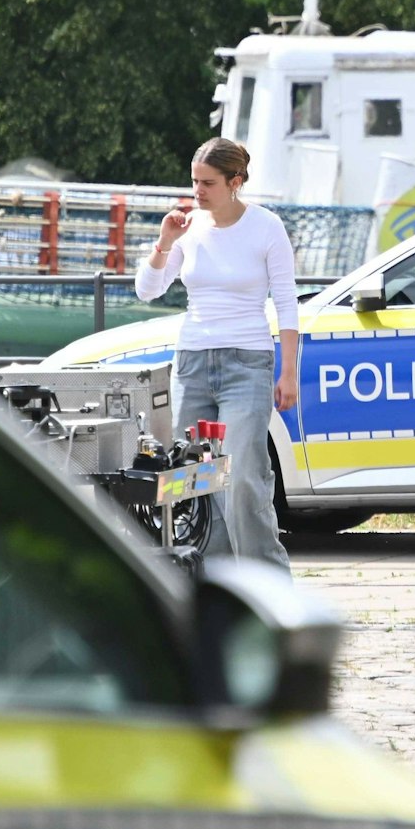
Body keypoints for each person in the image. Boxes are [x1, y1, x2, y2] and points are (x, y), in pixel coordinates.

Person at [136, 137, 299, 571]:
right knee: (196, 477)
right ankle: (213, 581)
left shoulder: (266, 227)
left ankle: (267, 581)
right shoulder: (187, 228)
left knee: (243, 474)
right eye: (194, 181)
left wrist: (288, 373)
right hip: (192, 363)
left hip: (248, 363)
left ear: (235, 182)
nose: (198, 191)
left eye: (208, 183)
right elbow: (148, 290)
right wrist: (165, 241)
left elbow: (287, 302)